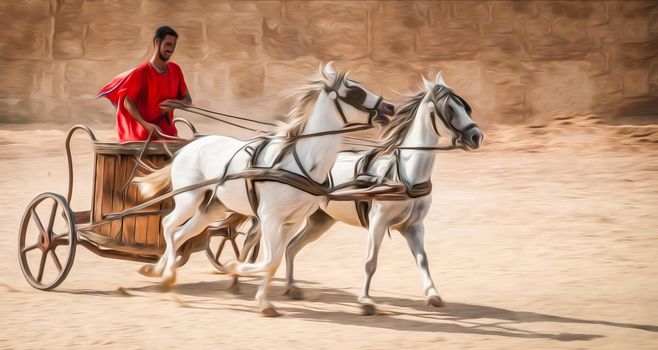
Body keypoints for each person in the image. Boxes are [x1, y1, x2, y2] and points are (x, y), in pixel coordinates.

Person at [98, 25, 192, 142]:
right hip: (142, 135)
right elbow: (128, 102)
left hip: (167, 133)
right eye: (168, 44)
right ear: (157, 42)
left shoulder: (176, 70)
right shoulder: (141, 73)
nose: (171, 49)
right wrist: (146, 125)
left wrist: (176, 104)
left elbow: (188, 100)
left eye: (173, 45)